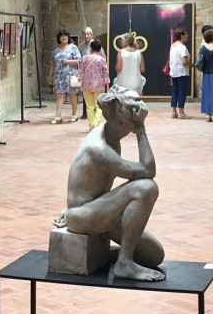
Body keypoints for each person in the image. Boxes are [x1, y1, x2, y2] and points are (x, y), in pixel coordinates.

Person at [59, 85, 166, 281]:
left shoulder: (110, 135)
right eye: (131, 123)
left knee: (154, 255)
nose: (132, 128)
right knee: (146, 188)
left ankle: (104, 256)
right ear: (120, 121)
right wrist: (141, 129)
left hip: (98, 208)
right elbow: (148, 171)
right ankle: (124, 263)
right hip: (83, 214)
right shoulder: (99, 148)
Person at [48, 29, 81, 124]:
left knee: (72, 95)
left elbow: (79, 61)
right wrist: (50, 76)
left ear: (68, 37)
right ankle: (58, 116)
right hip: (59, 76)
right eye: (62, 36)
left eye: (66, 36)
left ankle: (74, 115)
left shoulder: (73, 48)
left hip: (71, 76)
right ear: (59, 38)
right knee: (59, 95)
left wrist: (68, 62)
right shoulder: (56, 51)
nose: (64, 37)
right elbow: (52, 64)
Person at [78, 39, 111, 130]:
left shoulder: (85, 58)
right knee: (98, 106)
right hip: (99, 85)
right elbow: (105, 72)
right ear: (100, 49)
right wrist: (106, 82)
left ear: (91, 48)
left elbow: (80, 70)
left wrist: (80, 78)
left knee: (89, 106)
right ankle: (96, 124)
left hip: (86, 84)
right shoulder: (102, 60)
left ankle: (91, 125)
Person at [168, 27, 192, 119]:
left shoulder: (173, 45)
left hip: (174, 72)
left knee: (175, 92)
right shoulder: (182, 47)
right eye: (186, 34)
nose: (188, 35)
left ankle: (174, 112)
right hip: (182, 72)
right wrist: (192, 65)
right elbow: (184, 61)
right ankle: (181, 112)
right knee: (182, 92)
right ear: (182, 35)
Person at [114, 32, 145, 96]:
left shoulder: (121, 52)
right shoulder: (139, 53)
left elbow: (118, 68)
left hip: (123, 85)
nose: (121, 43)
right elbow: (142, 69)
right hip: (136, 84)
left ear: (126, 41)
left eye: (122, 41)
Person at [78, 27, 94, 119]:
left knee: (94, 93)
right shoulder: (81, 46)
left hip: (95, 72)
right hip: (85, 73)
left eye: (88, 34)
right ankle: (85, 113)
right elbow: (79, 59)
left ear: (91, 35)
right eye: (84, 34)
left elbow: (103, 57)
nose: (86, 36)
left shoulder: (96, 44)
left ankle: (94, 112)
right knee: (85, 93)